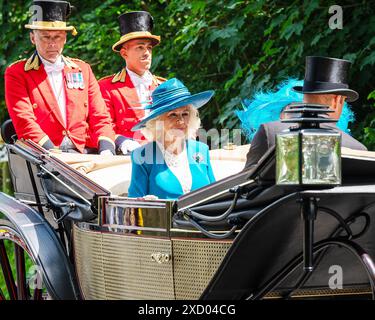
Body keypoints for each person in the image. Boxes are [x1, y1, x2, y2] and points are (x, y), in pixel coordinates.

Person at [5, 0, 116, 154]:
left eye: (57, 36)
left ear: (65, 38)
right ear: (32, 38)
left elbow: (100, 116)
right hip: (43, 155)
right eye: (45, 37)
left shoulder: (83, 70)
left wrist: (107, 149)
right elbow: (24, 120)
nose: (52, 43)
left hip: (83, 152)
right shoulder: (17, 72)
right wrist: (52, 153)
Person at [244, 56, 367, 169]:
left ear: (304, 96)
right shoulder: (357, 149)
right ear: (337, 100)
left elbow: (245, 183)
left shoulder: (270, 132)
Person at [128, 78, 216, 199]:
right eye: (172, 115)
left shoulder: (202, 150)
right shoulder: (142, 156)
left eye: (185, 114)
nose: (181, 121)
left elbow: (216, 195)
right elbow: (133, 205)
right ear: (157, 121)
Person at [99, 11, 166, 155]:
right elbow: (102, 125)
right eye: (140, 47)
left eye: (149, 48)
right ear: (124, 53)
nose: (147, 52)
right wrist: (121, 140)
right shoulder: (107, 87)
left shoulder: (164, 86)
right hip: (128, 157)